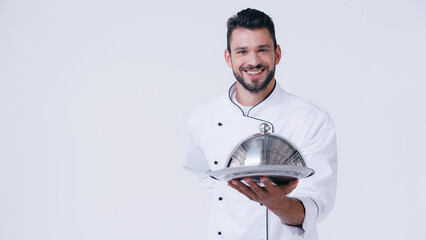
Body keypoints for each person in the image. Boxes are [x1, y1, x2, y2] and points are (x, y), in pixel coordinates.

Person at [183, 8, 337, 240]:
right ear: (228, 58)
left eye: (262, 50)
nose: (253, 61)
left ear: (277, 54)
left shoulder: (311, 119)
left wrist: (275, 202)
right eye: (242, 51)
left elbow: (316, 204)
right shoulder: (203, 117)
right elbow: (204, 173)